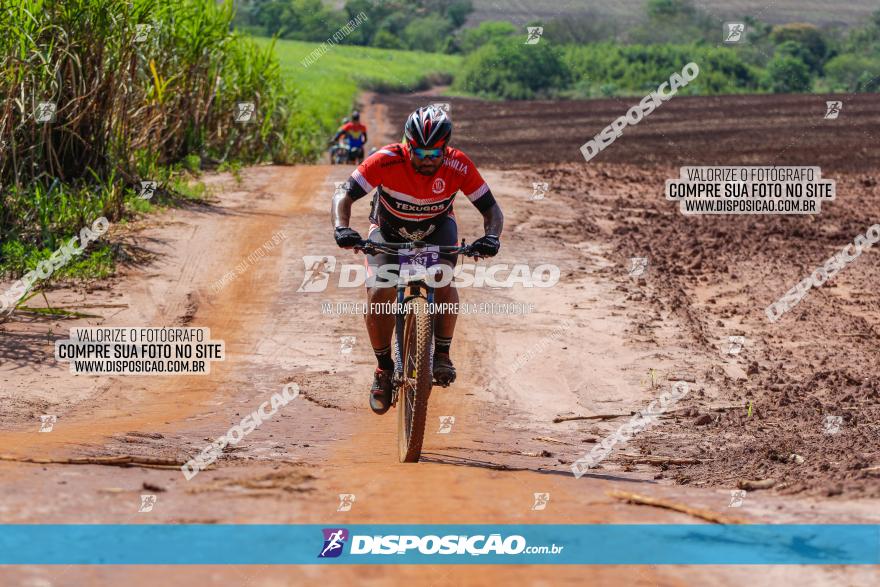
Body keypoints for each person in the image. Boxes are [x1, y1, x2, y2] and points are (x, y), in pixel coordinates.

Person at [330, 105, 504, 414]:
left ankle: (442, 355)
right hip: (388, 229)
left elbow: (491, 209)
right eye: (419, 153)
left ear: (445, 148)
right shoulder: (386, 159)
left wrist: (491, 237)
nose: (427, 161)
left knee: (444, 279)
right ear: (407, 144)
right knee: (381, 290)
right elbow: (343, 194)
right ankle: (384, 369)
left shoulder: (458, 164)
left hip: (437, 228)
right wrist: (342, 228)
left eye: (434, 154)